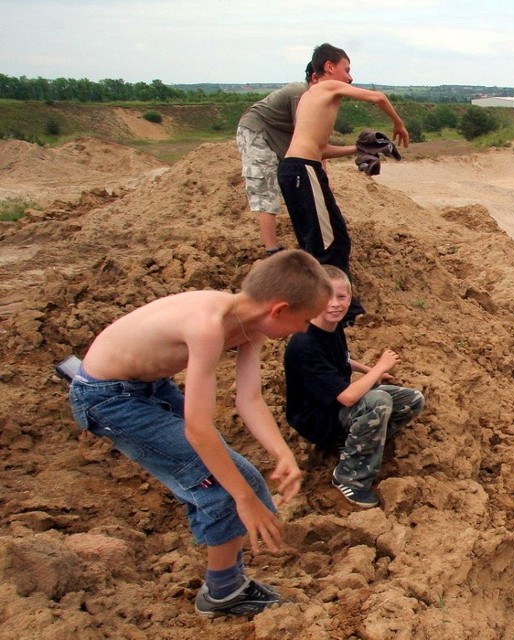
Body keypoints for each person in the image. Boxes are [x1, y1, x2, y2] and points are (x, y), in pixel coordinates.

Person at [68, 250, 332, 618]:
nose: (304, 330)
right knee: (224, 484)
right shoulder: (207, 326)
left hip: (149, 387)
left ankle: (227, 576)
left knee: (240, 480)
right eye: (303, 321)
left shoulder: (249, 324)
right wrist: (243, 499)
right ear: (279, 310)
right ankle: (223, 593)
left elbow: (249, 398)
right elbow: (198, 429)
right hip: (107, 398)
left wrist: (281, 453)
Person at [277, 43, 410, 325]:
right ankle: (337, 309)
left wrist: (358, 148)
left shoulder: (310, 99)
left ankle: (317, 304)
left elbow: (320, 148)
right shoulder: (324, 88)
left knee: (327, 240)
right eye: (346, 69)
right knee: (328, 244)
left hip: (300, 169)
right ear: (328, 67)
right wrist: (398, 125)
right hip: (304, 171)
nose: (349, 78)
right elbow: (378, 97)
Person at [284, 265, 425, 508]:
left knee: (412, 399)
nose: (335, 304)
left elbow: (342, 359)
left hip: (335, 407)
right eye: (326, 296)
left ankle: (356, 443)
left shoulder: (331, 326)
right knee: (377, 403)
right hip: (317, 420)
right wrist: (380, 367)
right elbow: (348, 398)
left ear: (350, 297)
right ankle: (350, 477)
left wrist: (367, 370)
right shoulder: (304, 344)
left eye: (341, 296)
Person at [237, 62, 356, 255]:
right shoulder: (302, 95)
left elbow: (315, 145)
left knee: (300, 182)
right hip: (257, 132)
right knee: (266, 191)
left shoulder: (317, 100)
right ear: (315, 78)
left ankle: (308, 240)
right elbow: (308, 141)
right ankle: (272, 251)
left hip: (281, 134)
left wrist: (324, 177)